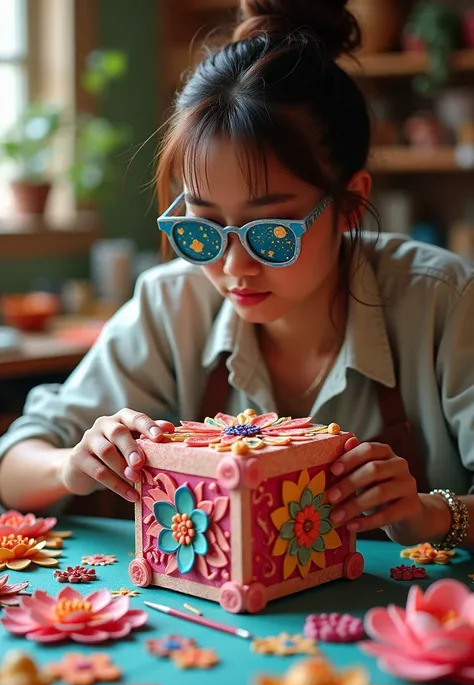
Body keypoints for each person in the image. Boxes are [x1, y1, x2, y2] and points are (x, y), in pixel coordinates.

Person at [0, 0, 472, 552]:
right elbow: (15, 460)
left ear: (351, 204)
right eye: (202, 230)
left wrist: (436, 514)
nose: (232, 267)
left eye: (271, 234)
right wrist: (72, 466)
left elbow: (439, 515)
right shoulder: (173, 302)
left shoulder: (441, 302)